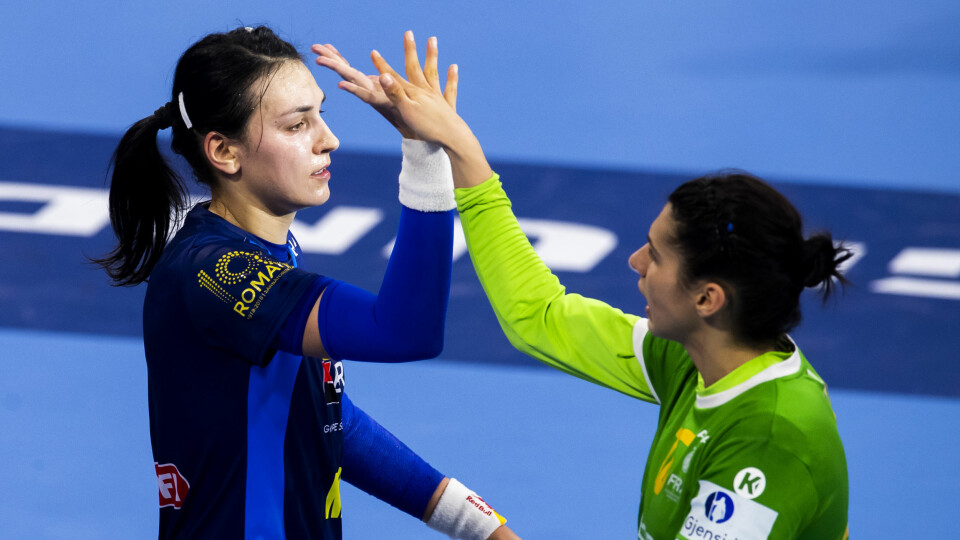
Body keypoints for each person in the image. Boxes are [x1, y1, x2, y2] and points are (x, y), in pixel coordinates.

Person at [329, 33, 851, 539]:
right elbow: (540, 317)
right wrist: (455, 148)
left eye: (657, 254)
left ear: (707, 298)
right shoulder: (697, 357)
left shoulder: (771, 439)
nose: (635, 261)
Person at [95, 26, 518, 540]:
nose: (329, 139)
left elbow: (322, 415)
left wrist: (474, 523)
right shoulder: (215, 274)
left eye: (321, 113)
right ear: (224, 152)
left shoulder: (266, 253)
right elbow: (406, 332)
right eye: (297, 126)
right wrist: (427, 157)